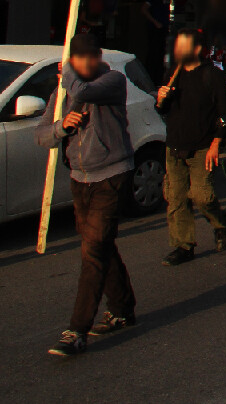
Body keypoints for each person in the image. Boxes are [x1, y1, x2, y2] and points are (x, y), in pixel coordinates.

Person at [40, 34, 137, 357]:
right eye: (78, 59)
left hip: (111, 173)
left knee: (93, 250)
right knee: (100, 244)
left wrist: (67, 72)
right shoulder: (62, 93)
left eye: (88, 59)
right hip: (79, 177)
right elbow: (43, 136)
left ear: (96, 58)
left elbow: (84, 91)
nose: (84, 65)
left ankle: (76, 330)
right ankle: (123, 308)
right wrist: (62, 128)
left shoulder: (112, 80)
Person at [155, 28, 226, 266]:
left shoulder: (212, 75)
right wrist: (160, 99)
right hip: (174, 145)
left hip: (202, 147)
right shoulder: (173, 73)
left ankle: (220, 221)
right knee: (176, 198)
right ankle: (183, 245)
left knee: (201, 195)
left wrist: (216, 143)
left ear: (198, 49)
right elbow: (163, 110)